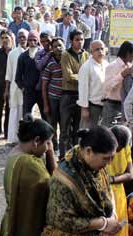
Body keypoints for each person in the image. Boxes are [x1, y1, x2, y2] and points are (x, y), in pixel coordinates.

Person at [40, 126, 121, 236]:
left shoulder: (96, 166)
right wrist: (102, 223)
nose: (108, 163)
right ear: (89, 151)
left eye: (111, 158)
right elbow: (62, 220)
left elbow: (107, 190)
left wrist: (111, 217)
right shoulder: (64, 179)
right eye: (106, 158)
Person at [0, 115, 55, 236]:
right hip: (25, 230)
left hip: (13, 223)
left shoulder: (16, 154)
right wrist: (50, 154)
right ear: (36, 141)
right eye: (48, 143)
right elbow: (55, 187)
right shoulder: (29, 164)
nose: (49, 147)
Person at [59, 30, 89, 158]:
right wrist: (84, 77)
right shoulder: (66, 55)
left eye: (81, 39)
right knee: (64, 128)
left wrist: (82, 77)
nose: (80, 42)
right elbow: (68, 76)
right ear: (71, 41)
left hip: (81, 96)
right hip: (67, 95)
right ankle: (62, 156)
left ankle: (75, 157)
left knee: (78, 129)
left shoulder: (86, 55)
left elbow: (88, 74)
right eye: (77, 39)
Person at [107, 125, 133, 236]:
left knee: (119, 230)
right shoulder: (102, 145)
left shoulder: (125, 147)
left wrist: (111, 179)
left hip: (119, 193)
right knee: (106, 229)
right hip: (103, 191)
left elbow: (130, 174)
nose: (118, 150)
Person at [101, 41, 133, 127]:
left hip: (125, 107)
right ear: (128, 53)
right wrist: (121, 75)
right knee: (110, 134)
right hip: (112, 105)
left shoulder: (129, 66)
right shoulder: (112, 66)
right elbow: (106, 87)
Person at [77, 40, 108, 128]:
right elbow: (83, 89)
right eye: (97, 49)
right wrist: (84, 109)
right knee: (87, 135)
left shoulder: (106, 64)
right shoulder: (87, 66)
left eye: (102, 49)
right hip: (91, 108)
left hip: (105, 107)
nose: (100, 51)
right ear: (91, 52)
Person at [6, 29, 28, 145]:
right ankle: (13, 138)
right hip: (15, 88)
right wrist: (6, 90)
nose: (22, 39)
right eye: (20, 37)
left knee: (26, 112)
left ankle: (25, 139)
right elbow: (9, 74)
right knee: (14, 112)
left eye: (24, 37)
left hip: (27, 89)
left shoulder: (33, 52)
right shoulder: (12, 53)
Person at [15, 30, 44, 117]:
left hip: (41, 92)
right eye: (30, 40)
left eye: (34, 40)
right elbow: (18, 77)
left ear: (38, 41)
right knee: (26, 116)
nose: (32, 42)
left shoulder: (43, 55)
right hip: (28, 92)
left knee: (45, 115)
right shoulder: (23, 56)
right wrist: (23, 88)